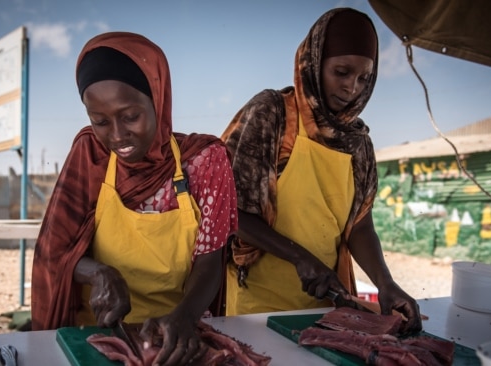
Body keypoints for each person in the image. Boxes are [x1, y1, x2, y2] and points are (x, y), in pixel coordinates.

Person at [31, 31, 238, 365]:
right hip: (98, 335)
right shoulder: (90, 153)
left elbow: (210, 260)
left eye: (130, 116)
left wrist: (185, 317)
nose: (116, 135)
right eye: (100, 120)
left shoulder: (205, 160)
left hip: (175, 333)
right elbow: (53, 252)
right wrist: (98, 273)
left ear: (157, 99)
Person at [221, 8, 422, 334]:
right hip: (257, 302)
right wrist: (301, 259)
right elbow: (230, 210)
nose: (351, 88)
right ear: (313, 63)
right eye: (341, 72)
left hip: (325, 302)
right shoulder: (273, 114)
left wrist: (386, 284)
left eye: (363, 78)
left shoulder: (359, 143)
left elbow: (359, 226)